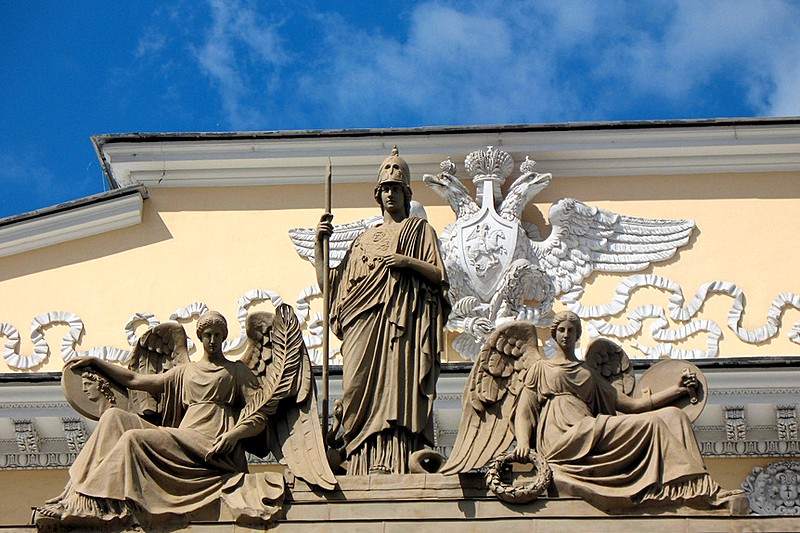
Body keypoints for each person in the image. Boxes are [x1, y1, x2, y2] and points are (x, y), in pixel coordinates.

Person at [35, 311, 282, 525]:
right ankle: (75, 496)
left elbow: (259, 414)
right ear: (200, 336)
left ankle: (99, 505)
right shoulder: (185, 370)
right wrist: (98, 363)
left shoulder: (237, 371)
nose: (213, 340)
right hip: (186, 435)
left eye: (218, 335)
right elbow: (137, 381)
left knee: (133, 440)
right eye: (208, 335)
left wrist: (234, 434)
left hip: (213, 442)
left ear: (224, 336)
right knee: (114, 418)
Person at [512, 310, 742, 509]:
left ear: (577, 335)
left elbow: (632, 406)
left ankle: (698, 488)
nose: (566, 335)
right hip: (563, 436)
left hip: (590, 429)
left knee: (674, 416)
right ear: (553, 333)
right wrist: (523, 443)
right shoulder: (540, 368)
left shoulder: (588, 373)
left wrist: (679, 390)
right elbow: (525, 411)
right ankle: (696, 490)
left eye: (571, 330)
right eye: (561, 330)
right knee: (653, 425)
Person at [315, 147, 450, 475]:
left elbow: (438, 276)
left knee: (399, 390)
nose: (390, 194)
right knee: (356, 387)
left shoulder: (420, 231)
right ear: (378, 195)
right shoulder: (363, 240)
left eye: (396, 188)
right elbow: (332, 289)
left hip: (402, 323)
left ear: (406, 193)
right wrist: (321, 248)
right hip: (361, 322)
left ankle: (397, 458)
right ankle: (359, 457)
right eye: (385, 189)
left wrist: (406, 262)